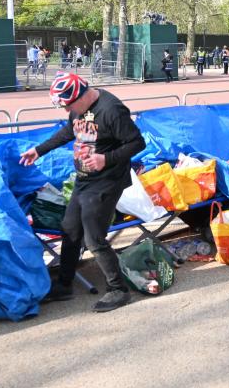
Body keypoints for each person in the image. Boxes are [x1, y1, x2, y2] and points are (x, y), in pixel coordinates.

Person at [19, 72, 146, 311]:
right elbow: (70, 131)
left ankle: (118, 289)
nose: (67, 110)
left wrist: (105, 159)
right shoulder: (78, 108)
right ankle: (65, 285)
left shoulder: (112, 110)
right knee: (70, 227)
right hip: (84, 179)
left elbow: (137, 142)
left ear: (80, 94)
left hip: (107, 181)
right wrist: (39, 150)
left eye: (68, 105)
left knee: (93, 237)